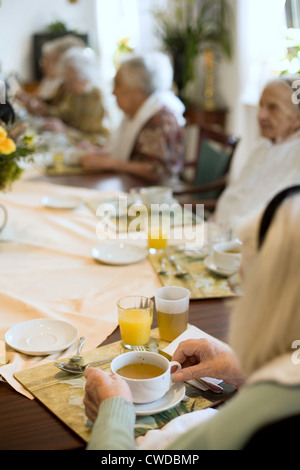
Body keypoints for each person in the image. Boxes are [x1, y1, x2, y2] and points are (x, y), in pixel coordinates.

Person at [83, 185, 300, 450]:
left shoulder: (269, 410)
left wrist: (113, 410)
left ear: (280, 300)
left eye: (242, 284)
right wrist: (246, 373)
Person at [79, 52, 185, 183]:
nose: (113, 92)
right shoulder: (133, 113)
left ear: (137, 90)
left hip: (155, 197)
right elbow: (129, 154)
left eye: (117, 84)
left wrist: (109, 163)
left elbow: (156, 171)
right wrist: (99, 153)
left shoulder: (161, 119)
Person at [213, 76, 300, 231]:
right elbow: (235, 196)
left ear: (298, 118)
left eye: (273, 108)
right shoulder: (263, 146)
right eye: (261, 105)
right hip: (218, 233)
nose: (261, 115)